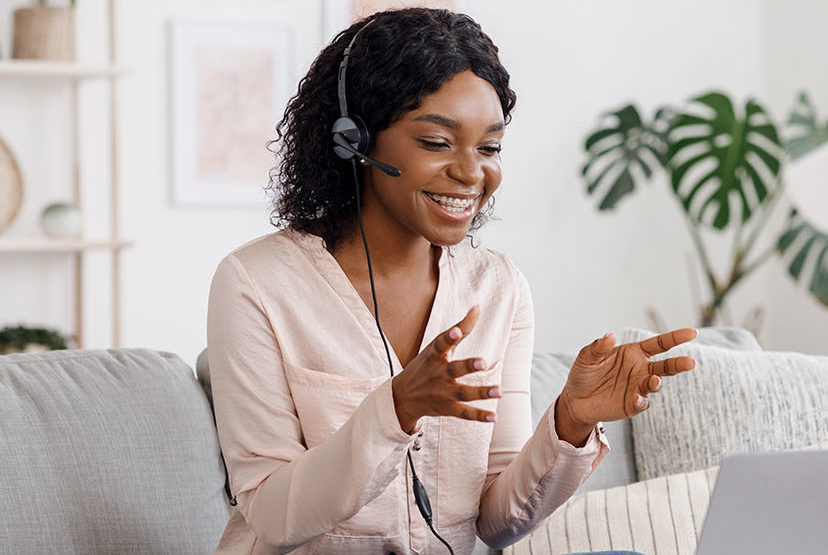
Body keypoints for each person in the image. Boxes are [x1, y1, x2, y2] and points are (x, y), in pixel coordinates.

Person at [205, 8, 696, 554]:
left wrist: (571, 420)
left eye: (489, 148)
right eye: (438, 143)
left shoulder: (498, 288)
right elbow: (272, 514)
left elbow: (497, 521)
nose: (471, 173)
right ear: (354, 142)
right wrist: (396, 410)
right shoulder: (257, 282)